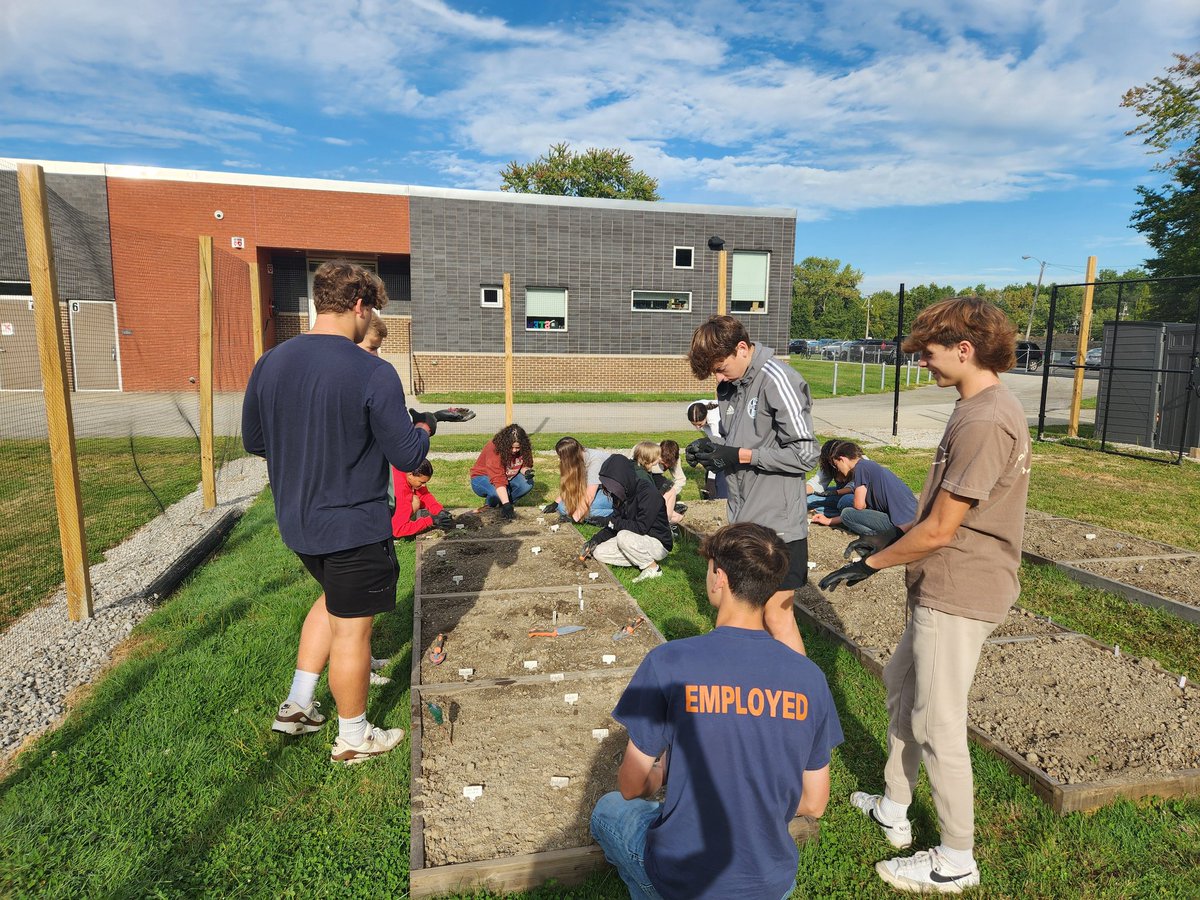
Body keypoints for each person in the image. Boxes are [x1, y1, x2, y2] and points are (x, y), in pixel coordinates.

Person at [820, 297, 1031, 894]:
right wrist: (893, 537)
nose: (923, 364)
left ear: (965, 349)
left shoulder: (987, 419)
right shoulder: (974, 407)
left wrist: (871, 563)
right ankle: (894, 804)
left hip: (960, 587)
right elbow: (936, 515)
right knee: (902, 687)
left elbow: (942, 530)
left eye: (929, 353)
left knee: (938, 722)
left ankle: (955, 859)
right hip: (938, 580)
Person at [243, 259, 436, 764]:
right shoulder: (372, 370)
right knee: (353, 630)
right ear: (360, 305)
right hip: (352, 524)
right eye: (371, 309)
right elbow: (408, 456)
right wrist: (424, 428)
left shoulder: (271, 361)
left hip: (298, 522)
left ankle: (299, 704)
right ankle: (354, 737)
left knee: (332, 603)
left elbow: (256, 440)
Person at [591, 522, 843, 900]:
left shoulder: (668, 661)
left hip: (684, 876)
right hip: (770, 882)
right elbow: (814, 802)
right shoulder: (810, 679)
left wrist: (663, 770)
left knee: (607, 810)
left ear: (719, 577)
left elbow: (631, 785)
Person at [686, 315, 819, 656]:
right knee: (748, 614)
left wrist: (741, 455)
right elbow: (741, 446)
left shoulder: (778, 379)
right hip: (745, 519)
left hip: (779, 526)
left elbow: (806, 455)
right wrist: (712, 451)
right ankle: (760, 679)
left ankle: (801, 685)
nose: (718, 378)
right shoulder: (732, 384)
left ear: (742, 348)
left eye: (720, 368)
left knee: (777, 616)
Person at [580, 455, 673, 584]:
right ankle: (638, 558)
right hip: (635, 538)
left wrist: (610, 522)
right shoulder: (621, 494)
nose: (611, 490)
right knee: (599, 553)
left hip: (657, 542)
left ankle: (653, 568)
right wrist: (595, 540)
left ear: (623, 479)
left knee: (623, 536)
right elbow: (615, 523)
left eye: (613, 486)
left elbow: (641, 527)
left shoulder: (648, 493)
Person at [809, 441, 917, 537]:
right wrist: (829, 521)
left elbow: (859, 506)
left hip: (900, 525)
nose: (838, 469)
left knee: (847, 513)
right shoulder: (868, 465)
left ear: (842, 459)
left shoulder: (860, 468)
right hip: (911, 519)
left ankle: (877, 538)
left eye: (836, 465)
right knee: (847, 509)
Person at [469, 424, 534, 520]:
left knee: (527, 484)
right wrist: (506, 504)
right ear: (505, 443)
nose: (514, 450)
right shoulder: (494, 448)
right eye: (511, 447)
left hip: (506, 476)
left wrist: (526, 472)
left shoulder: (525, 448)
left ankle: (502, 505)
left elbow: (524, 465)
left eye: (517, 448)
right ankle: (491, 506)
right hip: (483, 477)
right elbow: (498, 478)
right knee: (496, 494)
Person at [544, 435, 613, 523]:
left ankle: (616, 513)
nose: (560, 459)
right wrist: (556, 503)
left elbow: (590, 495)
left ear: (570, 456)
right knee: (562, 507)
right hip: (598, 489)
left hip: (613, 493)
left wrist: (574, 518)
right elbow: (572, 483)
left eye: (561, 457)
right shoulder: (578, 457)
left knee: (589, 509)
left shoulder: (595, 461)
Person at [391, 460, 454, 538]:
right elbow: (399, 530)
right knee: (414, 502)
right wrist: (430, 520)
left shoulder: (404, 468)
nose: (424, 486)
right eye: (421, 482)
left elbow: (423, 495)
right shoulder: (400, 490)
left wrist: (439, 511)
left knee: (415, 500)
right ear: (410, 474)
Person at [687, 400, 727, 500]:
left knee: (719, 453)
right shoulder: (691, 409)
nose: (697, 428)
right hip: (709, 419)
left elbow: (717, 449)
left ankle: (720, 491)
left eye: (700, 424)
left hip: (730, 421)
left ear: (706, 417)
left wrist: (711, 480)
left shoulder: (715, 420)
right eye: (694, 424)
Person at [806, 439, 856, 517]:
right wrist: (798, 493)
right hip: (839, 493)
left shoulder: (859, 464)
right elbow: (817, 483)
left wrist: (835, 493)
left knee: (846, 500)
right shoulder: (830, 466)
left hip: (855, 495)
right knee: (807, 499)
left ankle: (843, 516)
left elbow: (854, 486)